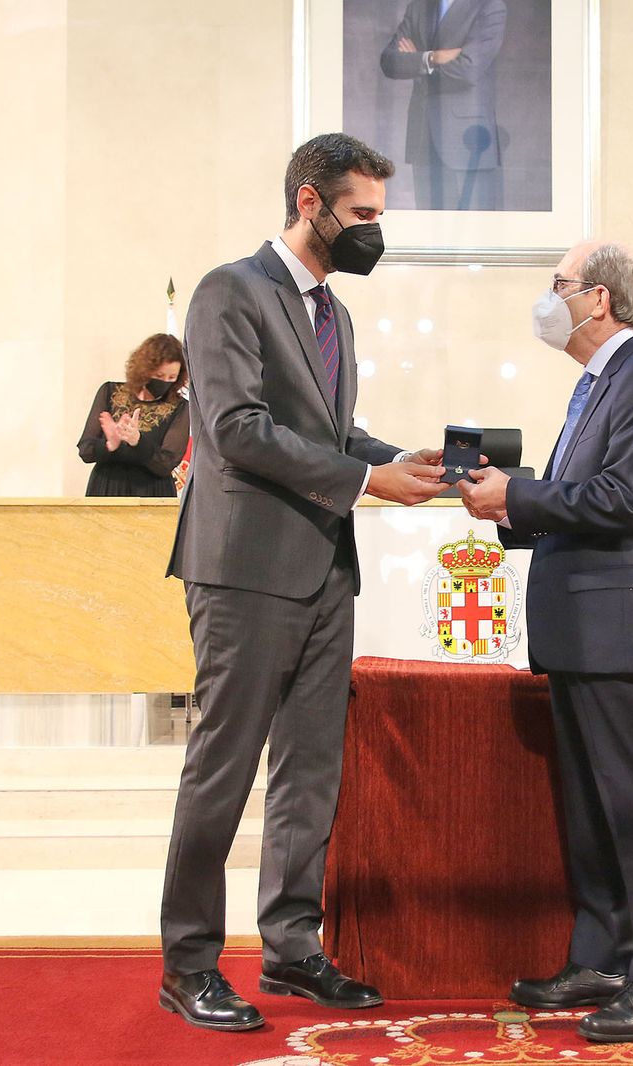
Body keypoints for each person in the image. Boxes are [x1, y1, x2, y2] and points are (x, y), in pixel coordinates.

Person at [159, 133, 448, 1033]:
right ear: (311, 203)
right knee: (224, 768)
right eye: (363, 215)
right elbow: (238, 428)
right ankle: (189, 964)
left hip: (325, 568)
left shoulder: (336, 315)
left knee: (310, 771)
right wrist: (365, 483)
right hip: (243, 568)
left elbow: (331, 429)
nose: (374, 232)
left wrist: (401, 459)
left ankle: (292, 950)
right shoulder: (228, 293)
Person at [459, 241, 633, 1044]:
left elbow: (625, 500)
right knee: (592, 810)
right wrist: (507, 503)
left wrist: (517, 495)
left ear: (598, 299)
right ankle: (601, 958)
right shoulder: (596, 385)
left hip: (620, 629)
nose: (547, 298)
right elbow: (581, 502)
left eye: (557, 285)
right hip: (582, 626)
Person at [378, 0, 507, 211]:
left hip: (468, 144)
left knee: (475, 233)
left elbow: (468, 70)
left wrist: (416, 61)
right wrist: (433, 57)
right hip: (423, 139)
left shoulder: (489, 6)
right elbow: (389, 61)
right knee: (429, 232)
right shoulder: (419, 7)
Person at [77, 334, 190, 497]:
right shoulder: (109, 392)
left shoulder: (179, 407)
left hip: (152, 492)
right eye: (159, 376)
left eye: (171, 377)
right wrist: (110, 445)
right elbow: (85, 451)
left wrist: (138, 442)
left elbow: (166, 463)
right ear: (144, 369)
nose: (165, 382)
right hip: (107, 489)